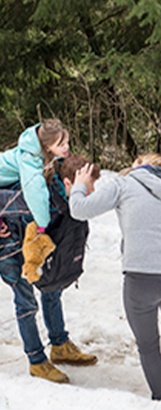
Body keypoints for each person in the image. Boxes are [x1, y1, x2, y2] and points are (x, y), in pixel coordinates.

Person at [68, 154, 161, 403]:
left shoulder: (124, 184)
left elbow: (79, 210)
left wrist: (79, 185)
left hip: (141, 278)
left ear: (140, 162)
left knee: (149, 344)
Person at [0, 139, 98, 383]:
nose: (92, 192)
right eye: (88, 187)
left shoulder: (66, 201)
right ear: (68, 184)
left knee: (51, 290)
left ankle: (60, 345)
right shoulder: (37, 197)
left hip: (32, 243)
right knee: (26, 302)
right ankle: (36, 361)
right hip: (9, 249)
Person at [0, 119, 70, 275]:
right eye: (61, 145)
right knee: (27, 202)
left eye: (67, 142)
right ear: (47, 147)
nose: (66, 147)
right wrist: (42, 224)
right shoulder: (29, 159)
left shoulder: (39, 151)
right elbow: (35, 192)